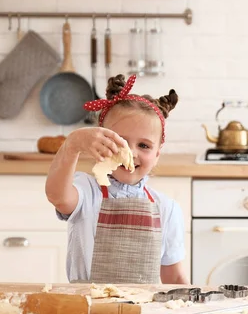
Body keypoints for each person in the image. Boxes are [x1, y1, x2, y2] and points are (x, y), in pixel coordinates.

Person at [45, 74, 188, 285]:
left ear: (157, 154)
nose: (130, 152)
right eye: (119, 141)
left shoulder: (166, 209)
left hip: (142, 311)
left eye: (144, 145)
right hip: (88, 307)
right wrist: (72, 145)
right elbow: (58, 196)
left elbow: (173, 277)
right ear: (100, 141)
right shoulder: (87, 190)